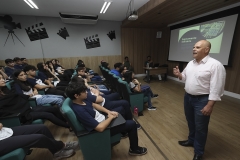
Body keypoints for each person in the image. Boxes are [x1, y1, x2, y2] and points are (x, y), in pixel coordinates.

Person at [173, 40, 226, 160]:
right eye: (193, 47)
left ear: (206, 50)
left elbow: (216, 87)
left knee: (201, 127)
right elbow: (185, 77)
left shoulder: (215, 65)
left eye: (197, 47)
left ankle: (199, 152)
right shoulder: (191, 63)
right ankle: (191, 141)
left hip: (202, 100)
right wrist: (179, 74)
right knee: (191, 122)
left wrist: (210, 105)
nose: (194, 49)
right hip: (188, 97)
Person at [65, 83, 147, 156]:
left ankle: (124, 131)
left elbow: (94, 105)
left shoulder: (82, 99)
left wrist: (109, 112)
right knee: (132, 124)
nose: (86, 92)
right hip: (102, 129)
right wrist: (110, 118)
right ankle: (134, 149)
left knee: (121, 110)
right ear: (76, 95)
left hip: (104, 119)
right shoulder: (80, 110)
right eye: (84, 91)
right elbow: (99, 128)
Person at [0, 73, 69, 128]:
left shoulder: (6, 90)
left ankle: (66, 121)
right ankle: (68, 126)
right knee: (48, 115)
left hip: (26, 109)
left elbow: (18, 99)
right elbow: (7, 109)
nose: (3, 80)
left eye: (2, 78)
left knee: (52, 109)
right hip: (20, 115)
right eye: (0, 79)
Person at [0, 123, 77, 159]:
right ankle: (62, 145)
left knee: (42, 128)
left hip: (3, 131)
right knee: (39, 138)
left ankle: (56, 151)